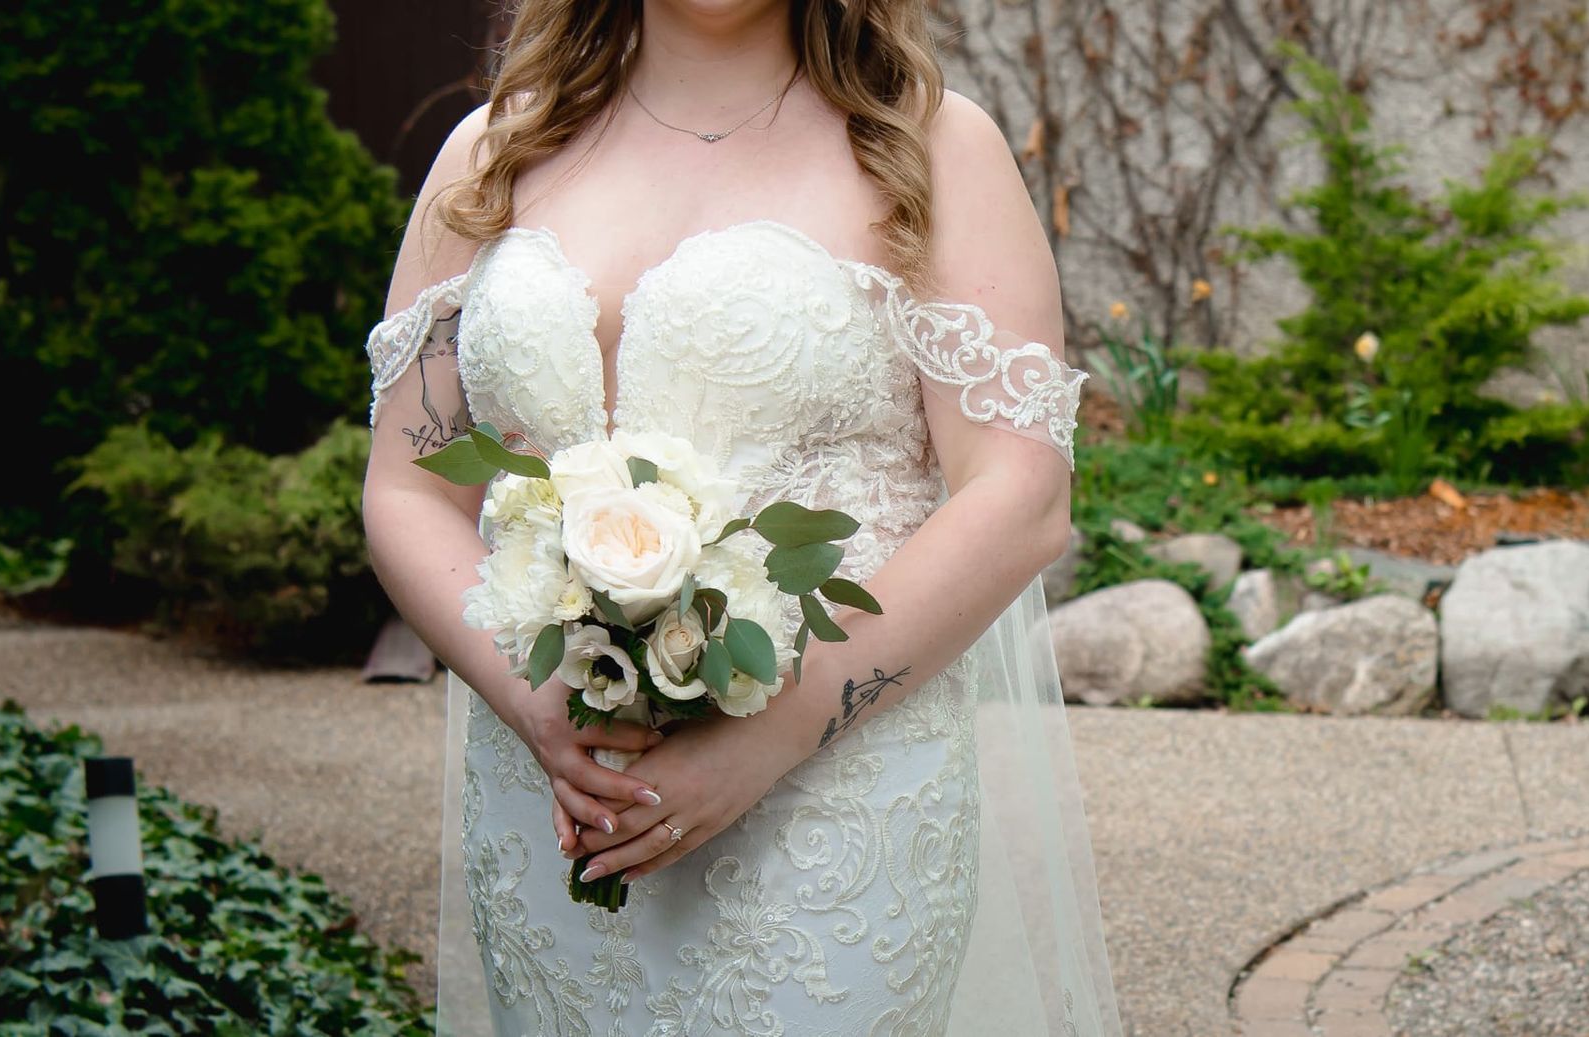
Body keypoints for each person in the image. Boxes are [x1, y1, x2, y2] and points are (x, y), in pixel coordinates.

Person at [360, 1, 1124, 1033]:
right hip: (558, 797)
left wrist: (776, 729)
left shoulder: (928, 146)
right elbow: (413, 483)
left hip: (830, 810)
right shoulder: (492, 155)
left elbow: (1020, 495)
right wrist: (533, 700)